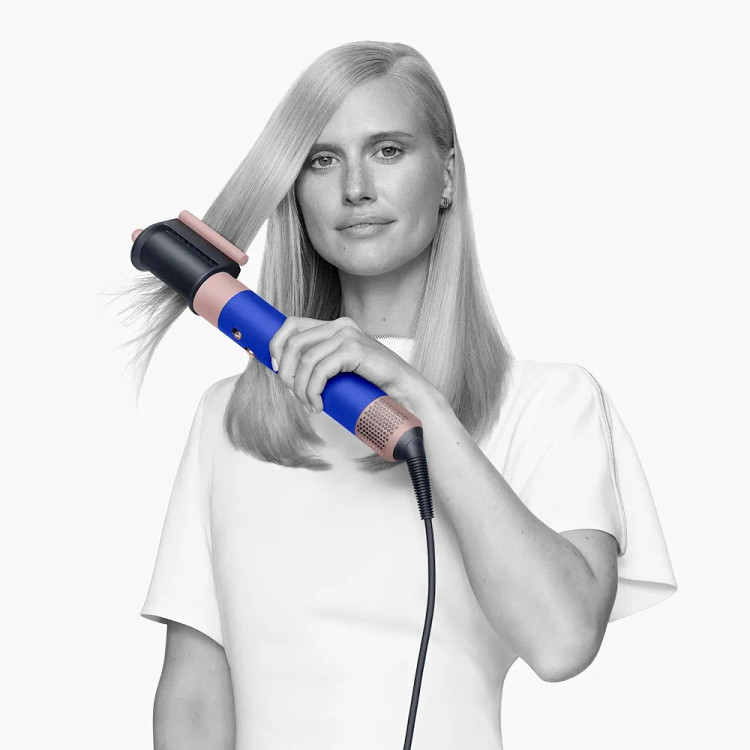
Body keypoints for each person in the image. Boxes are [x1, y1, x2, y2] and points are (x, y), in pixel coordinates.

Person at [121, 41, 677, 750]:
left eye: (388, 151)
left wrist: (421, 402)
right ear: (294, 190)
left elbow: (562, 640)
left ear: (446, 175)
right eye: (322, 160)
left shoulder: (548, 403)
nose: (355, 187)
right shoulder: (231, 419)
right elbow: (195, 700)